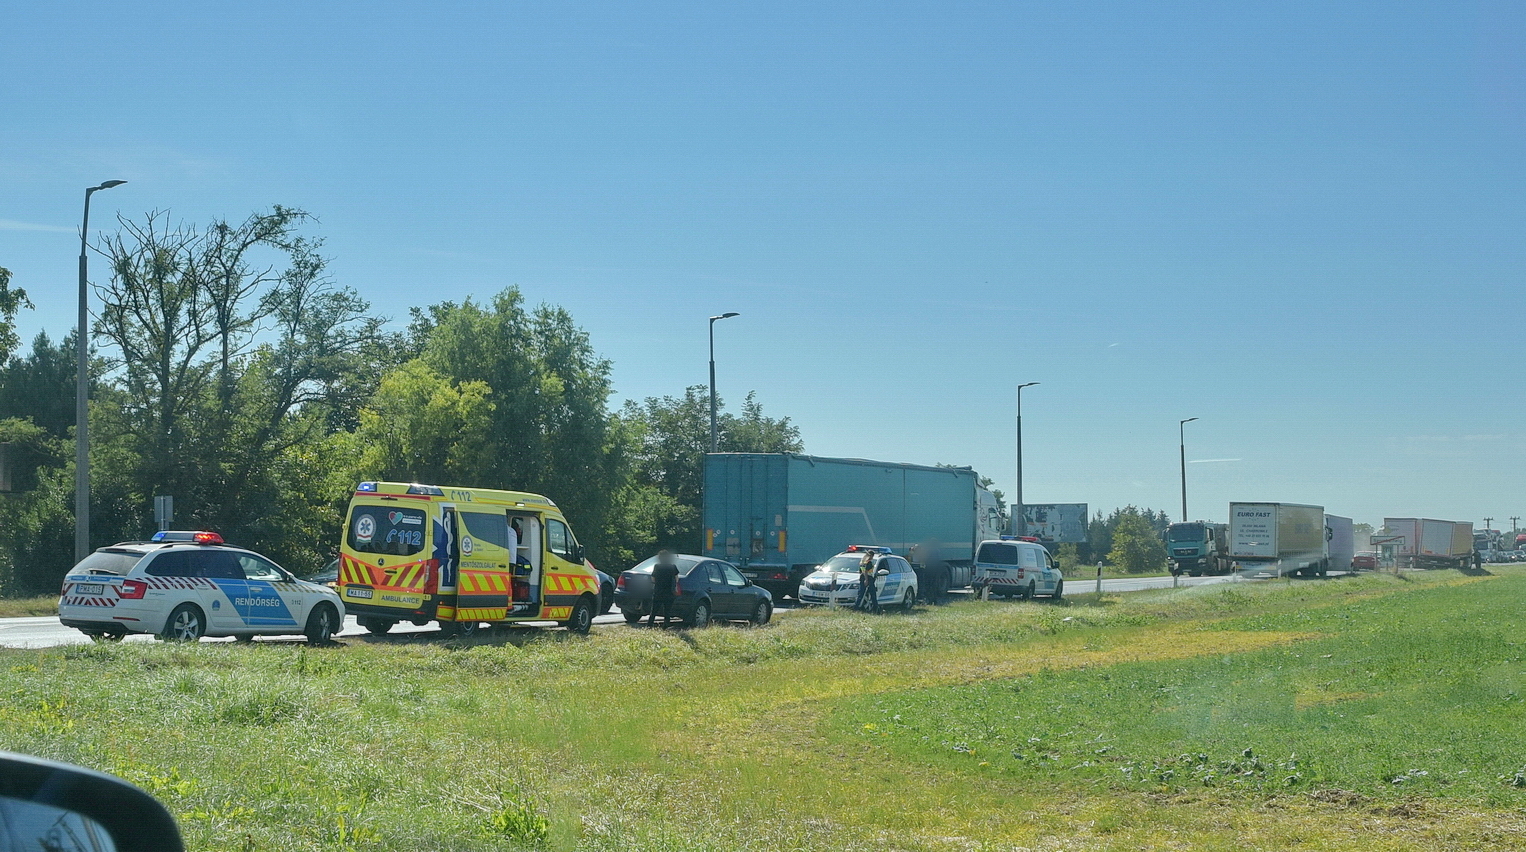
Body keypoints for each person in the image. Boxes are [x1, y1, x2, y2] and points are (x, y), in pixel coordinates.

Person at [648, 550, 680, 627]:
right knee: (667, 611)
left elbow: (652, 579)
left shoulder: (657, 566)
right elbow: (677, 579)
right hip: (669, 592)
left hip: (658, 591)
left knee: (654, 611)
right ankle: (666, 626)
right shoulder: (673, 567)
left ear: (660, 558)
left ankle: (649, 625)